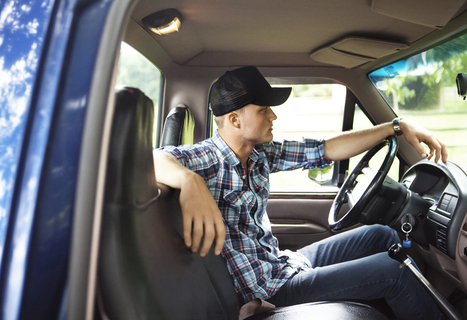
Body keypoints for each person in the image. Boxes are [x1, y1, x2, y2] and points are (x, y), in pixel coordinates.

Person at [153, 66, 448, 320]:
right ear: (234, 120)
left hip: (283, 264)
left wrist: (395, 126)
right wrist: (190, 182)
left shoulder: (260, 155)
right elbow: (152, 159)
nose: (273, 117)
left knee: (381, 234)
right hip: (269, 290)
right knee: (393, 271)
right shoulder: (206, 159)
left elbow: (325, 149)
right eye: (263, 109)